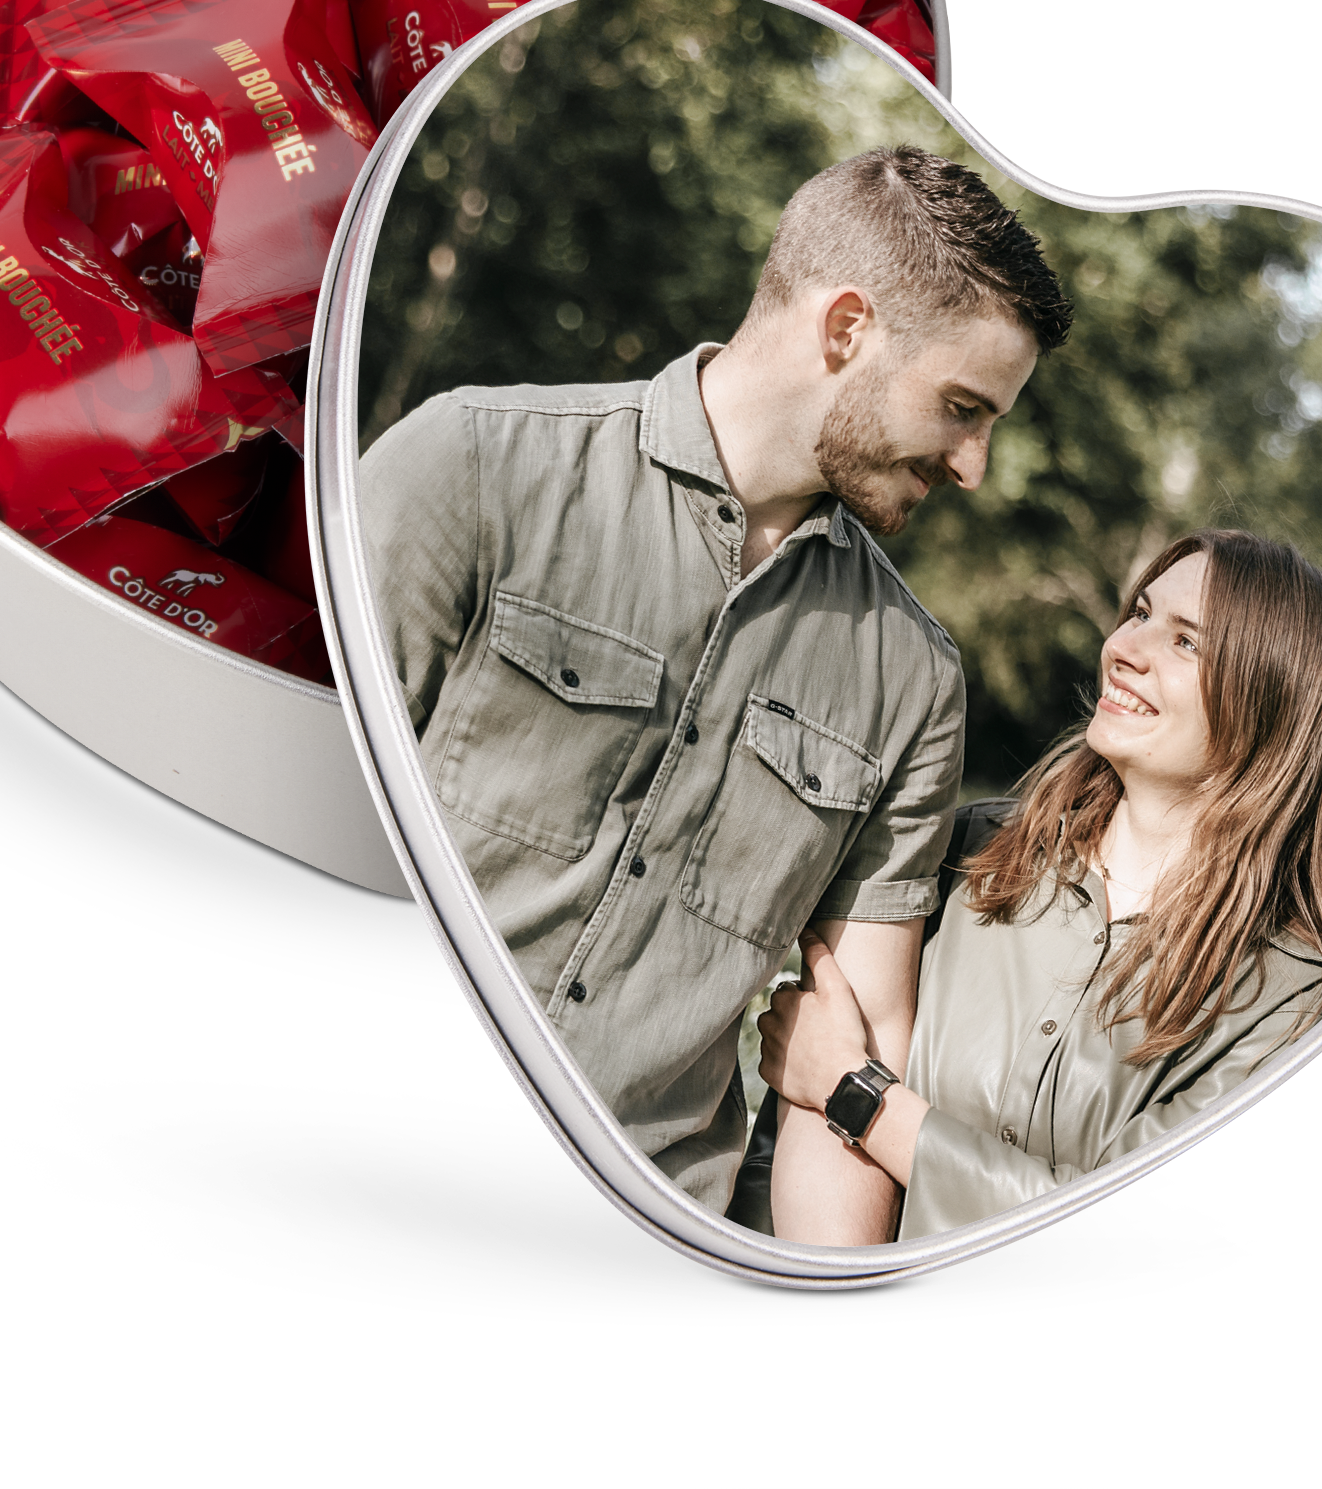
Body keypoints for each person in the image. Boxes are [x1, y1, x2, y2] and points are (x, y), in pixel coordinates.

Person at [358, 145, 1070, 1235]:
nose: (972, 465)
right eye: (962, 407)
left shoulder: (912, 681)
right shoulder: (472, 467)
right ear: (844, 330)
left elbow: (853, 1042)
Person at [753, 528, 1322, 1240]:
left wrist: (860, 1098)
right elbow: (787, 1132)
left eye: (1185, 642)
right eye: (1139, 614)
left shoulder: (1293, 1005)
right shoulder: (961, 853)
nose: (1124, 648)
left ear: (1278, 706)